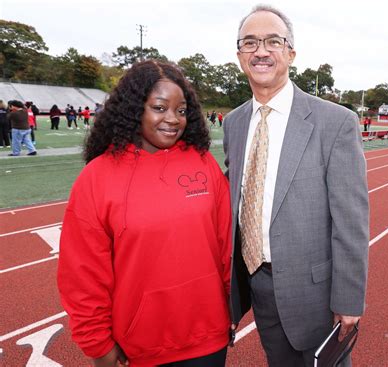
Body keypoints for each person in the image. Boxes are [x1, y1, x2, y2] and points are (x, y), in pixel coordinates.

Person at [57, 60, 232, 367]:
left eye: (181, 110)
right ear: (134, 108)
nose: (173, 119)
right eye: (160, 107)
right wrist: (98, 346)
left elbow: (226, 247)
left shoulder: (203, 164)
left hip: (209, 339)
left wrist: (233, 307)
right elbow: (82, 274)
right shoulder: (97, 178)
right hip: (140, 349)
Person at [223, 5, 369, 367]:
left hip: (316, 295)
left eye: (273, 41)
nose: (261, 50)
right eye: (250, 42)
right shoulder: (234, 123)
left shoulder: (335, 122)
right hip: (260, 286)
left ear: (291, 53)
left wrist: (348, 300)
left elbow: (350, 221)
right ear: (239, 54)